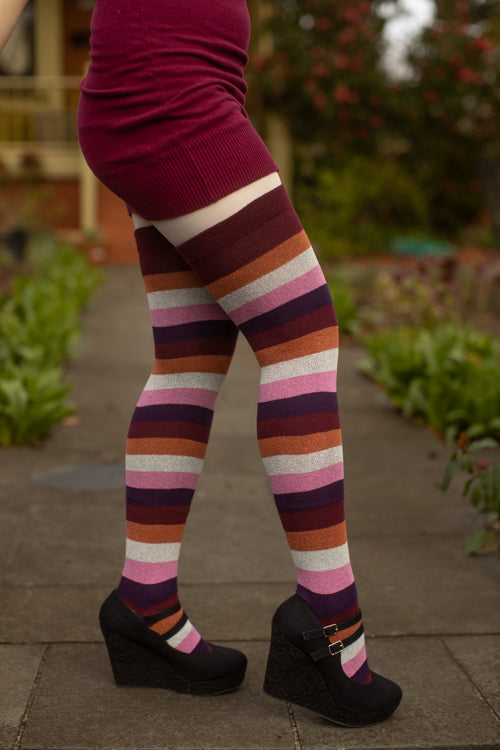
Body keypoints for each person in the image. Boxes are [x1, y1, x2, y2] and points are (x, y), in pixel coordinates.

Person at [2, 0, 402, 726]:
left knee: (187, 360)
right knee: (301, 335)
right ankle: (331, 623)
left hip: (175, 87)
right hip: (169, 95)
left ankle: (145, 603)